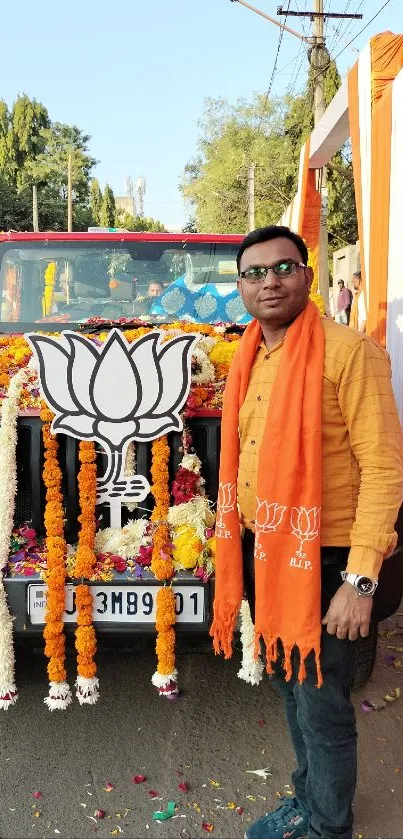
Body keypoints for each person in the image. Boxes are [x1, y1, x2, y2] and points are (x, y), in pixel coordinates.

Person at [210, 225, 403, 839]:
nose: (269, 282)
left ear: (308, 275)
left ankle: (328, 825)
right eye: (254, 273)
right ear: (240, 286)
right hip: (271, 554)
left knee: (321, 705)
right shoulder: (248, 357)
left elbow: (383, 468)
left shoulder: (351, 353)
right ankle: (307, 799)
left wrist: (361, 580)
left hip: (328, 559)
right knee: (290, 688)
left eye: (283, 268)